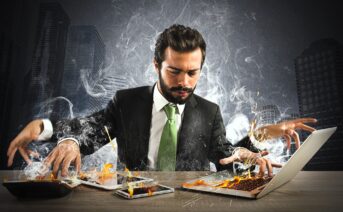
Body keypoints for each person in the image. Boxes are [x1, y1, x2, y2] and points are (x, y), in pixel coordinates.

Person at [7, 24, 316, 177]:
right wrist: (41, 127)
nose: (184, 82)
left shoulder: (209, 112)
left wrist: (263, 137)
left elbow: (227, 155)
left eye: (193, 73)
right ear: (156, 65)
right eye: (174, 71)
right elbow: (85, 130)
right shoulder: (125, 103)